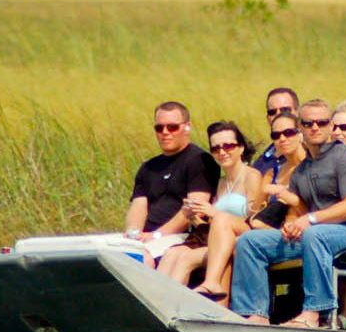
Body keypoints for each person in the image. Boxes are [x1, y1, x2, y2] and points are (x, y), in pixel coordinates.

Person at [230, 99, 346, 328]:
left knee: (314, 234)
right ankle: (254, 313)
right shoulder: (302, 169)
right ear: (300, 128)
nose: (315, 127)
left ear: (331, 126)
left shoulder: (345, 158)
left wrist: (309, 220)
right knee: (250, 241)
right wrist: (291, 225)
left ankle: (315, 312)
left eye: (322, 122)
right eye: (308, 123)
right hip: (317, 234)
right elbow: (299, 210)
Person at [193, 111, 306, 304]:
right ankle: (216, 301)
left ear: (300, 134)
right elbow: (255, 212)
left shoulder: (309, 168)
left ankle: (222, 299)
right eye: (276, 135)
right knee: (220, 237)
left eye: (288, 132)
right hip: (264, 229)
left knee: (229, 235)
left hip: (294, 232)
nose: (282, 139)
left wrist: (289, 197)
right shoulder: (271, 173)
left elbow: (314, 209)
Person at [157, 121, 264, 285]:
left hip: (240, 236)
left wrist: (214, 212)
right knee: (171, 254)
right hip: (214, 237)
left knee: (184, 258)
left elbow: (253, 219)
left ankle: (174, 300)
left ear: (241, 148)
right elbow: (213, 224)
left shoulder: (252, 176)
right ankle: (155, 299)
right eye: (216, 148)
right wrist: (193, 217)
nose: (222, 152)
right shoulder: (221, 182)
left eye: (228, 146)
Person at [124, 101, 219, 258]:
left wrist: (157, 235)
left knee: (142, 257)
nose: (165, 132)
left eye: (172, 127)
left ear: (187, 127)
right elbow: (139, 205)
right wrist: (133, 233)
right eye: (159, 128)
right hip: (147, 236)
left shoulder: (199, 160)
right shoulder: (148, 167)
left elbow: (194, 208)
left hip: (179, 237)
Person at [250, 86, 299, 177]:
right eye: (272, 112)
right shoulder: (263, 160)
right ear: (268, 118)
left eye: (285, 110)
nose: (278, 114)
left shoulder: (311, 153)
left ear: (298, 113)